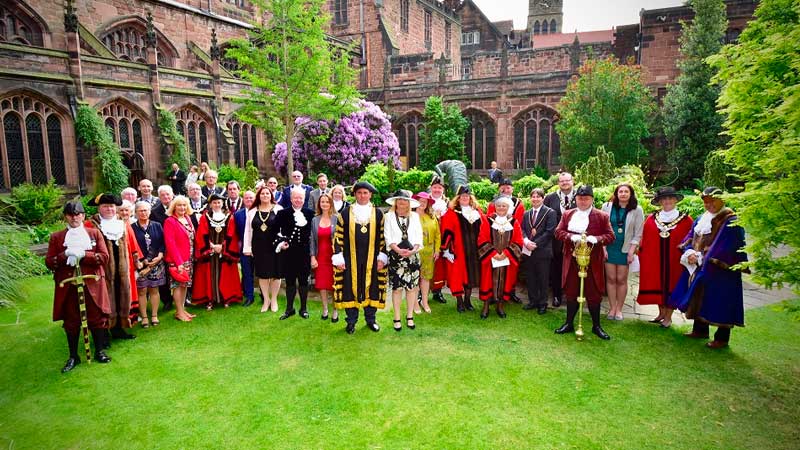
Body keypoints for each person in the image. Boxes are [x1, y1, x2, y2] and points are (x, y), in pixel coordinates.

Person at [669, 187, 747, 349]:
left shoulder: (732, 220)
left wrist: (703, 256)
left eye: (713, 201)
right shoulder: (701, 219)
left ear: (722, 200)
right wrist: (689, 251)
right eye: (706, 202)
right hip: (700, 266)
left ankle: (722, 338)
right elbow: (690, 237)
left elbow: (731, 246)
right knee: (700, 297)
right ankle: (700, 330)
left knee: (721, 301)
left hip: (722, 270)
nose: (709, 204)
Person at [46, 201, 112, 372]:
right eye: (70, 215)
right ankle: (73, 356)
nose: (74, 218)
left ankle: (100, 351)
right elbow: (49, 262)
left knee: (97, 318)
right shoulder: (57, 237)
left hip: (92, 283)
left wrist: (85, 255)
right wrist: (64, 254)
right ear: (65, 217)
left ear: (83, 215)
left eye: (78, 214)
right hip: (69, 285)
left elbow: (104, 257)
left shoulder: (94, 233)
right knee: (71, 321)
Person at [554, 185, 615, 340]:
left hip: (592, 262)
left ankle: (596, 326)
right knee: (571, 292)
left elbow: (610, 236)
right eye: (580, 198)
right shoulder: (568, 214)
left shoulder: (602, 216)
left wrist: (597, 239)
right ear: (576, 199)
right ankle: (569, 323)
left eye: (586, 198)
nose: (582, 201)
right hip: (572, 260)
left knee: (594, 294)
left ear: (591, 199)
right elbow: (558, 232)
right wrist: (569, 237)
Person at [332, 181, 388, 334]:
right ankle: (351, 322)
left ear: (370, 194)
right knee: (350, 289)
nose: (362, 195)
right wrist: (339, 257)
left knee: (373, 288)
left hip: (372, 258)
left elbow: (384, 237)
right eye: (359, 193)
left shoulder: (378, 214)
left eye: (365, 193)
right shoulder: (345, 213)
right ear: (355, 194)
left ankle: (371, 320)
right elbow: (338, 236)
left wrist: (382, 257)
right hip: (351, 260)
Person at [85, 193, 141, 342]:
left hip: (123, 269)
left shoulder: (122, 223)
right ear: (99, 208)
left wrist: (136, 262)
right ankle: (102, 335)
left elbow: (132, 243)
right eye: (105, 206)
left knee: (120, 295)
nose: (109, 209)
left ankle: (118, 329)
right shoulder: (90, 225)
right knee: (103, 300)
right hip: (102, 271)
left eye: (111, 206)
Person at [636, 186, 693, 328]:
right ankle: (661, 313)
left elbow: (691, 240)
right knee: (657, 283)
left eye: (670, 198)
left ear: (675, 200)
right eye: (664, 199)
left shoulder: (686, 220)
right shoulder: (651, 218)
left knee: (672, 285)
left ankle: (668, 317)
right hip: (655, 259)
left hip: (675, 261)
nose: (667, 201)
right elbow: (645, 238)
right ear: (660, 201)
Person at [601, 183, 645, 321]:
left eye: (626, 191)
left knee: (621, 279)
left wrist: (631, 251)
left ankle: (619, 310)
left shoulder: (637, 210)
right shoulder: (606, 207)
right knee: (610, 279)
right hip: (609, 248)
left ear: (630, 194)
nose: (623, 194)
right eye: (621, 191)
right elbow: (601, 229)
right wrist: (603, 248)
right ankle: (612, 308)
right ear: (616, 193)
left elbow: (638, 233)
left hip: (625, 249)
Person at [192, 193, 243, 310]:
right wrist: (211, 246)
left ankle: (226, 298)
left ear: (222, 203)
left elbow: (231, 234)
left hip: (224, 252)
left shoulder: (229, 216)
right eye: (214, 203)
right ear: (210, 204)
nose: (216, 205)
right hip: (210, 252)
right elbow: (202, 233)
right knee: (210, 275)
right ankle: (210, 299)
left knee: (225, 275)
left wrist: (222, 246)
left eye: (219, 202)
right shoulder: (205, 217)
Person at [440, 185, 484, 313]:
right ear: (458, 199)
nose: (465, 198)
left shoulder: (477, 212)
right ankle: (459, 302)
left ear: (471, 198)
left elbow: (484, 228)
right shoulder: (452, 213)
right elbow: (446, 231)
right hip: (458, 251)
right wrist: (447, 250)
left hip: (474, 251)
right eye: (462, 196)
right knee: (457, 277)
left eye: (467, 196)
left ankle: (468, 301)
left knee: (471, 277)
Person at [478, 196, 523, 319]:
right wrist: (493, 254)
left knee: (504, 282)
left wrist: (506, 253)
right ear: (495, 207)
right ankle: (486, 306)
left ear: (508, 208)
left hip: (506, 259)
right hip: (490, 259)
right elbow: (482, 239)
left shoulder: (514, 222)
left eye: (504, 206)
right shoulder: (488, 220)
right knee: (487, 282)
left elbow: (518, 241)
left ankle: (500, 306)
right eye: (499, 206)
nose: (501, 208)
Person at [384, 190, 423, 331]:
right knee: (396, 289)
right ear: (395, 202)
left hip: (412, 256)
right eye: (399, 200)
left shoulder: (415, 217)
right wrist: (398, 250)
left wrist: (413, 250)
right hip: (396, 256)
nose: (402, 202)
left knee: (412, 288)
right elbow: (387, 237)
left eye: (405, 200)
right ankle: (397, 318)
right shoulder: (388, 216)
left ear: (409, 203)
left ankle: (410, 316)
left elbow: (419, 236)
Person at [275, 187, 315, 319]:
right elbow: (274, 231)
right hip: (289, 253)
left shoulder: (310, 214)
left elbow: (314, 235)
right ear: (291, 198)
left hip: (304, 253)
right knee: (290, 282)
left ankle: (303, 309)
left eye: (301, 198)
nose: (298, 200)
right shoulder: (283, 213)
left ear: (304, 199)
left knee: (304, 282)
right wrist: (281, 243)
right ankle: (289, 309)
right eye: (295, 197)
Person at [244, 186, 283, 313]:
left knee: (275, 275)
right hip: (258, 247)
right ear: (259, 196)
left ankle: (274, 300)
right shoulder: (252, 212)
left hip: (275, 247)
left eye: (267, 193)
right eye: (262, 193)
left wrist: (282, 243)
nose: (265, 195)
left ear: (271, 195)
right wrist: (247, 248)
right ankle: (266, 300)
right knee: (262, 274)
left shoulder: (278, 209)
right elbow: (248, 232)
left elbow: (283, 230)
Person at [521, 188, 557, 314]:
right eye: (533, 196)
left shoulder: (550, 212)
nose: (535, 199)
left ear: (543, 198)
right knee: (530, 277)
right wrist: (526, 241)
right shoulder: (527, 213)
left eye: (538, 196)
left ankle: (543, 303)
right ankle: (533, 301)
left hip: (543, 251)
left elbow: (549, 231)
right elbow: (522, 229)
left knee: (543, 278)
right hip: (528, 250)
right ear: (530, 198)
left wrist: (535, 244)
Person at [543, 172, 577, 307]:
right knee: (556, 269)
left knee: (573, 269)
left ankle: (571, 296)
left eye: (567, 180)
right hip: (555, 241)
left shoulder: (580, 196)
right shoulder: (551, 198)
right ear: (558, 183)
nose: (564, 183)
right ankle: (556, 295)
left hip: (575, 241)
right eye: (562, 181)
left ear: (572, 181)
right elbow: (544, 216)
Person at [131, 201, 166, 328]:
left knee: (154, 289)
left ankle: (154, 315)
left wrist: (160, 255)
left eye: (146, 210)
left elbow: (163, 242)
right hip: (140, 264)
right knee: (142, 290)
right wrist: (142, 260)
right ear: (136, 213)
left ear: (150, 212)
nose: (143, 213)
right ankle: (144, 316)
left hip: (156, 262)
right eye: (140, 210)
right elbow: (132, 246)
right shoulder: (132, 228)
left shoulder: (157, 225)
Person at [163, 195, 196, 322]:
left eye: (184, 205)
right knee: (177, 285)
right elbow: (170, 243)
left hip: (189, 257)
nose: (182, 207)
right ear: (173, 207)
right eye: (179, 205)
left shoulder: (187, 218)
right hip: (178, 260)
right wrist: (178, 262)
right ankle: (179, 312)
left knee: (185, 284)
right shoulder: (170, 221)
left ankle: (181, 310)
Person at [310, 192, 338, 322]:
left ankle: (335, 310)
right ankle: (325, 309)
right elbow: (312, 241)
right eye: (322, 202)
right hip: (320, 256)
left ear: (331, 203)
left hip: (333, 258)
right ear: (319, 204)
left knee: (334, 284)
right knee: (322, 285)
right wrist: (312, 257)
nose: (325, 204)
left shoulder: (336, 219)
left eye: (327, 202)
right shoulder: (315, 220)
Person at [414, 191, 440, 314]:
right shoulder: (411, 215)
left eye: (425, 202)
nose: (422, 203)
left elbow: (437, 235)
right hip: (414, 250)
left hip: (429, 251)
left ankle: (425, 301)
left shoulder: (432, 216)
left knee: (426, 278)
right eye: (420, 201)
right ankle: (414, 303)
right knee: (414, 277)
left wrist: (437, 249)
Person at [428, 175, 449, 304]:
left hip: (443, 238)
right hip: (428, 238)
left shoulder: (447, 202)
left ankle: (437, 291)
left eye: (439, 188)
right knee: (426, 264)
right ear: (431, 188)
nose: (437, 190)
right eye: (435, 187)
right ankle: (422, 292)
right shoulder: (425, 200)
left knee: (440, 266)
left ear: (443, 189)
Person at [234, 190, 257, 306]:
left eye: (251, 198)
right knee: (246, 272)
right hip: (244, 249)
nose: (249, 200)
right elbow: (236, 233)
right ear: (243, 200)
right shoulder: (238, 214)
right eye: (247, 198)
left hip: (259, 248)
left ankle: (264, 295)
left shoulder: (260, 212)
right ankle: (249, 296)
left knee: (261, 272)